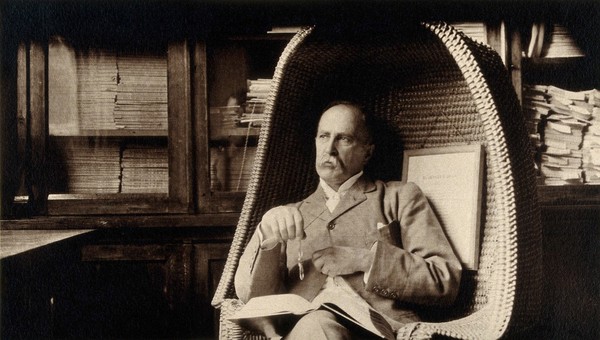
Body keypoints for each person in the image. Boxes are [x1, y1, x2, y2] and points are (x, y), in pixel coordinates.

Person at [234, 101, 462, 339]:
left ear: (367, 152)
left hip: (379, 330)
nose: (330, 149)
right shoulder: (288, 216)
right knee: (317, 325)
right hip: (305, 330)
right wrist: (266, 234)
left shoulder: (400, 197)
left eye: (344, 139)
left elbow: (444, 280)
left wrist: (365, 260)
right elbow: (252, 299)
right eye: (324, 136)